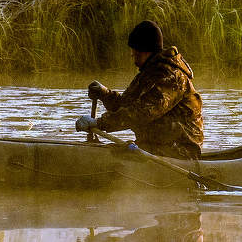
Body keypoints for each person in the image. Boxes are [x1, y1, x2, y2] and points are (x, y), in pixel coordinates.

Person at [76, 20, 204, 160]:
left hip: (181, 150)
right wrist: (105, 94)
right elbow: (126, 105)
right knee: (114, 153)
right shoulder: (147, 74)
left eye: (137, 54)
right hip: (156, 146)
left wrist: (99, 123)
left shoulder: (171, 77)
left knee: (117, 158)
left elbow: (142, 113)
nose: (134, 58)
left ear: (148, 51)